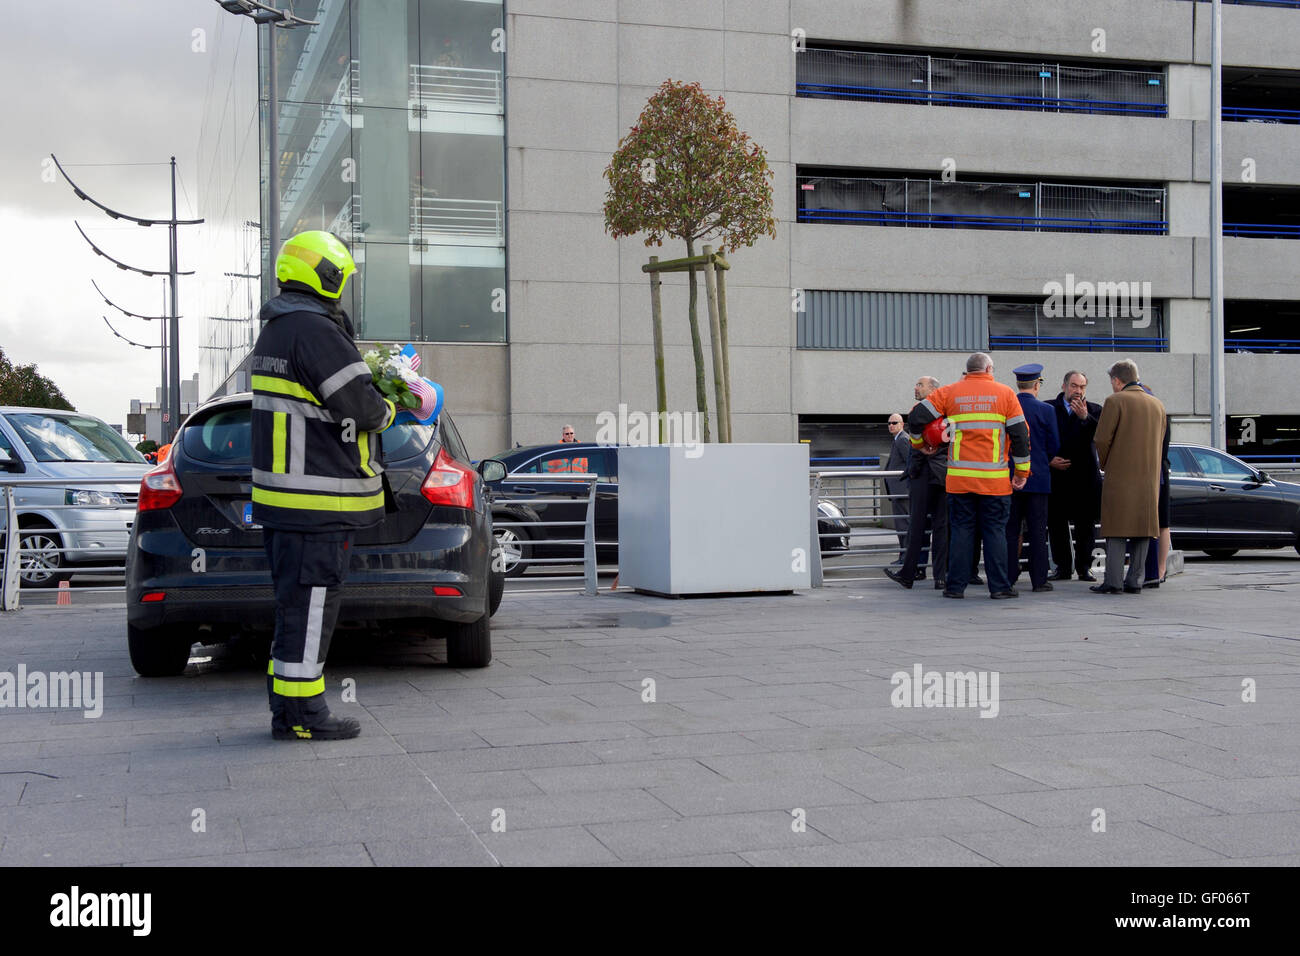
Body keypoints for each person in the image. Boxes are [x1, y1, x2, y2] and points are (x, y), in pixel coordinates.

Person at [251, 230, 398, 740]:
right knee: (312, 608)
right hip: (317, 501)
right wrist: (394, 404)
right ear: (329, 278)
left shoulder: (276, 329)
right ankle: (305, 717)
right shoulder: (313, 331)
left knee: (294, 608)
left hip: (284, 503)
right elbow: (363, 407)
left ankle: (284, 710)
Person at [908, 353, 1030, 599]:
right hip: (994, 481)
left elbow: (915, 419)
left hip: (959, 480)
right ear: (989, 368)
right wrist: (1021, 472)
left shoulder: (950, 392)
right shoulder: (1005, 394)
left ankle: (955, 587)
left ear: (968, 370)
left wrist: (920, 445)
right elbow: (1019, 436)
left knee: (962, 531)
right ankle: (1000, 588)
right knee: (995, 532)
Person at [1091, 359, 1166, 595]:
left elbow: (1101, 439)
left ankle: (1113, 581)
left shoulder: (1115, 401)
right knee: (1144, 528)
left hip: (1120, 476)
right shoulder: (1157, 405)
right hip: (1150, 479)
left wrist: (1106, 463)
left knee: (1116, 528)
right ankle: (1135, 580)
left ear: (1116, 380)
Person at [887, 377, 947, 590]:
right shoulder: (947, 411)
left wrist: (912, 469)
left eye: (920, 385)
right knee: (941, 528)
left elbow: (917, 448)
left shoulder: (920, 410)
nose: (916, 387)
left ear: (933, 389)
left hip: (924, 476)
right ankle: (940, 577)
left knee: (917, 526)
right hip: (944, 475)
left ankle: (909, 573)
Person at [1006, 364, 1059, 592]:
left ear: (1018, 384)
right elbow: (1054, 445)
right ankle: (1039, 580)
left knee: (1010, 531)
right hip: (1037, 479)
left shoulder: (1007, 407)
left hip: (1009, 478)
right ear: (1037, 385)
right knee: (1038, 531)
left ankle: (1007, 577)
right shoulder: (1046, 410)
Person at [1048, 370, 1103, 582]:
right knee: (1056, 524)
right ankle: (1062, 567)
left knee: (1085, 526)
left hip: (1085, 479)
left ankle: (1084, 567)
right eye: (1074, 386)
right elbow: (1038, 437)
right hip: (1057, 476)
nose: (1078, 391)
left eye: (1082, 387)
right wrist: (1048, 459)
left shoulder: (1095, 410)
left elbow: (1101, 437)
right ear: (1064, 386)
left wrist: (1084, 418)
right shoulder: (1049, 408)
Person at [1139, 381, 1172, 588]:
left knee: (1161, 522)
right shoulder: (1160, 416)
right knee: (1161, 522)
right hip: (1159, 471)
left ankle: (1159, 568)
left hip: (1156, 473)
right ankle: (1158, 569)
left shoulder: (1156, 418)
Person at [883, 412, 912, 564]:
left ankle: (905, 558)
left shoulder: (902, 440)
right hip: (898, 492)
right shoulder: (897, 440)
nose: (891, 426)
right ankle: (903, 557)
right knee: (901, 526)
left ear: (902, 424)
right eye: (889, 423)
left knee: (903, 526)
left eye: (894, 423)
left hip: (902, 492)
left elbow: (910, 462)